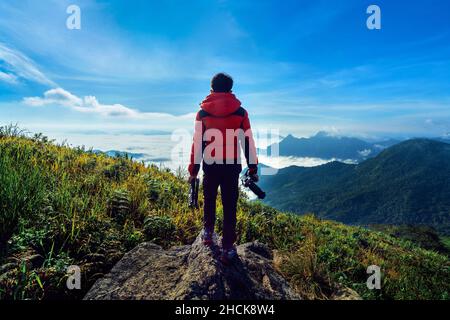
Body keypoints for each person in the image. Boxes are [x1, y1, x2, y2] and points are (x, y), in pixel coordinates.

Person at [188, 73, 258, 264]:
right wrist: (252, 168)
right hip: (232, 165)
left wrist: (193, 170)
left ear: (212, 89)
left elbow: (197, 143)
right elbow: (247, 141)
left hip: (210, 164)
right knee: (230, 205)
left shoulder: (202, 113)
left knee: (209, 198)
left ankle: (208, 233)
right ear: (230, 90)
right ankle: (228, 247)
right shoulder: (241, 113)